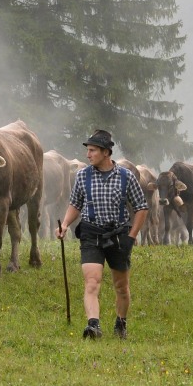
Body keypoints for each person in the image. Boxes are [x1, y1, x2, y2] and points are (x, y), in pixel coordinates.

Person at [56, 130, 148, 340]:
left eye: (92, 151)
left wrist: (131, 237)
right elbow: (75, 204)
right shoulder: (82, 175)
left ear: (106, 152)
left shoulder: (126, 177)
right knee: (92, 282)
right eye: (88, 150)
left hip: (118, 236)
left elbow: (142, 208)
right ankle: (93, 325)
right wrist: (66, 225)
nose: (88, 155)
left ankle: (121, 322)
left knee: (121, 287)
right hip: (90, 233)